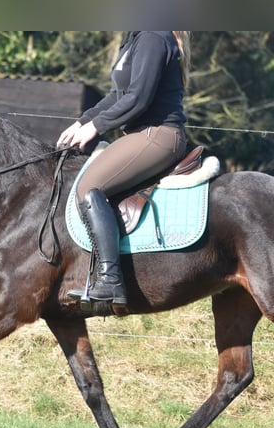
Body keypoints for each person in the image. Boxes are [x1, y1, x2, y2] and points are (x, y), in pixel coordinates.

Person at [57, 31, 191, 308]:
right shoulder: (135, 37)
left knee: (88, 188)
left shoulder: (154, 36)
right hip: (141, 134)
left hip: (158, 135)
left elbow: (139, 99)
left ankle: (110, 281)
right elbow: (118, 95)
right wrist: (83, 122)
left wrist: (96, 127)